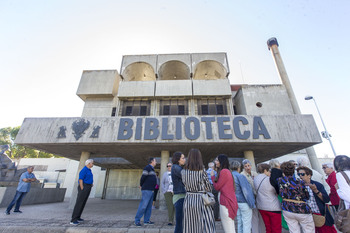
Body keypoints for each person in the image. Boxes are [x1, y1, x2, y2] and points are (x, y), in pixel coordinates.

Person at [181, 148, 215, 233]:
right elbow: (208, 187)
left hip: (188, 200)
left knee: (190, 225)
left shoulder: (183, 172)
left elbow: (184, 184)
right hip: (201, 200)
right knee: (205, 225)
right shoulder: (202, 171)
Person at [297, 166, 337, 233]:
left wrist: (316, 191)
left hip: (320, 214)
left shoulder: (317, 185)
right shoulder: (299, 187)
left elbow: (326, 199)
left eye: (302, 174)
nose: (300, 176)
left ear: (309, 175)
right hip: (308, 216)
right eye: (299, 174)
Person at [278, 161, 314, 233]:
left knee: (293, 230)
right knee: (308, 229)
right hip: (301, 208)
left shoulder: (280, 181)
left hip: (287, 207)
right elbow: (307, 196)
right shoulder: (299, 181)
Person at [211, 154, 238, 233]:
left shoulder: (224, 171)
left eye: (217, 160)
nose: (215, 162)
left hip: (226, 203)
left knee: (228, 228)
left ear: (221, 161)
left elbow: (217, 187)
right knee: (230, 227)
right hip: (227, 202)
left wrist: (212, 177)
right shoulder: (226, 171)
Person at [254, 163, 282, 233]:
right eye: (269, 170)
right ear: (265, 170)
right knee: (276, 228)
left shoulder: (255, 179)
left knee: (268, 227)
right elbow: (275, 190)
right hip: (273, 206)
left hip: (261, 206)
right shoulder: (268, 179)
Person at [231, 160, 256, 233]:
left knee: (239, 222)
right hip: (244, 202)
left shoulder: (230, 176)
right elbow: (246, 192)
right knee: (246, 224)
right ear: (239, 167)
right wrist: (252, 204)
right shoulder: (240, 176)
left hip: (236, 202)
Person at [134, 157, 157, 227]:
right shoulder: (147, 168)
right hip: (147, 189)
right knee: (143, 206)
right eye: (155, 161)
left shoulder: (152, 169)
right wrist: (141, 185)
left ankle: (146, 220)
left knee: (149, 206)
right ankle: (137, 221)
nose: (156, 162)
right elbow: (143, 177)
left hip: (151, 190)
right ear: (152, 161)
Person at [70, 159, 94, 225]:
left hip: (88, 187)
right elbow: (80, 179)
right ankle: (73, 219)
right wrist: (82, 188)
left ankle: (78, 217)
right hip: (84, 187)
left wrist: (91, 184)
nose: (93, 164)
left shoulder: (89, 170)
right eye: (92, 163)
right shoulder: (84, 170)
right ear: (88, 163)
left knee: (83, 202)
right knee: (79, 203)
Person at [241, 159, 261, 233]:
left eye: (248, 165)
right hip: (249, 197)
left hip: (258, 196)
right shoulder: (242, 175)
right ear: (243, 167)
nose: (247, 167)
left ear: (251, 166)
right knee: (253, 217)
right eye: (245, 166)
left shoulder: (254, 173)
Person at [269, 159, 289, 231]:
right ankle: (287, 226)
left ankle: (284, 224)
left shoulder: (271, 173)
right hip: (283, 194)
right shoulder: (280, 172)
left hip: (276, 194)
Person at [171, 151, 186, 233]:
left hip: (181, 196)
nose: (184, 159)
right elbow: (186, 177)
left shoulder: (178, 167)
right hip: (180, 197)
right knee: (179, 223)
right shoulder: (176, 167)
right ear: (178, 159)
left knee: (181, 223)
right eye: (183, 158)